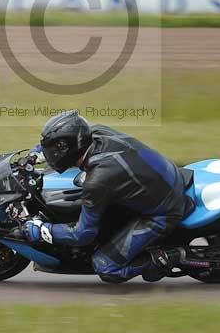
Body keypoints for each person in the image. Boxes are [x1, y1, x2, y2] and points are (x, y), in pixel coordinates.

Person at [21, 110, 191, 283]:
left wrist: (44, 230)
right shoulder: (96, 133)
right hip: (164, 177)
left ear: (69, 148)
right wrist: (38, 152)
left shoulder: (98, 181)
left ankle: (167, 257)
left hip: (163, 210)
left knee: (106, 266)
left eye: (55, 150)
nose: (52, 154)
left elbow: (83, 234)